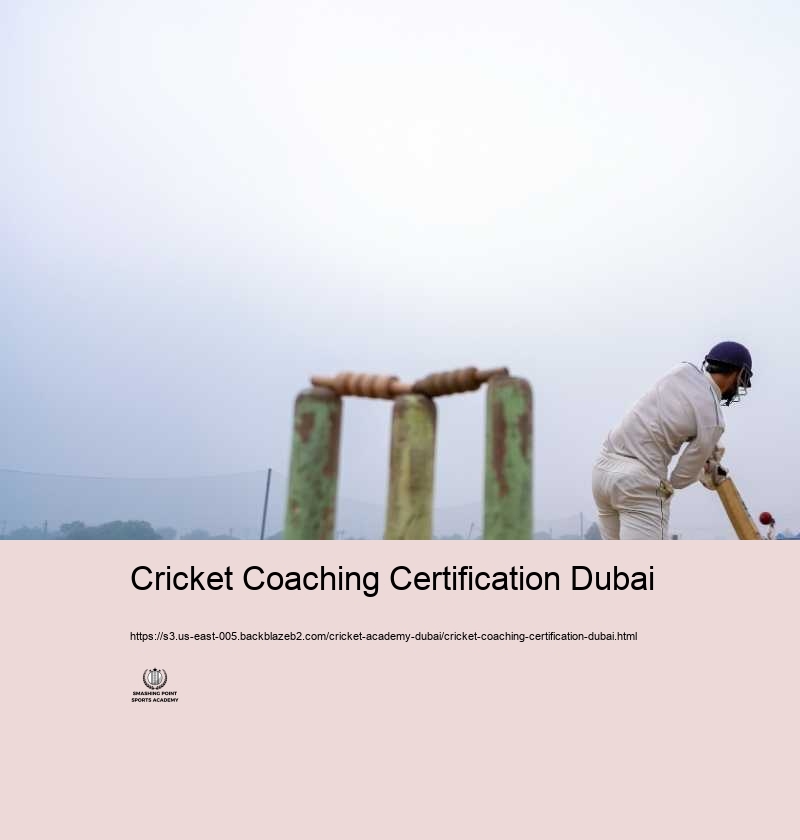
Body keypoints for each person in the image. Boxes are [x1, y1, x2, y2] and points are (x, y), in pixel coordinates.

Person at [592, 342, 753, 540]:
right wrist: (705, 466)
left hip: (603, 472)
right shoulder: (714, 419)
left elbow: (670, 416)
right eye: (741, 381)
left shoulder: (682, 370)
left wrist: (697, 440)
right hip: (638, 483)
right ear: (737, 374)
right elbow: (679, 479)